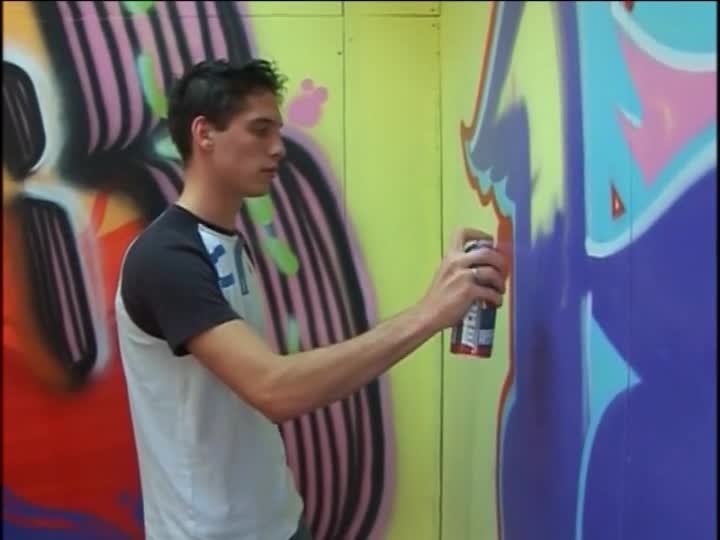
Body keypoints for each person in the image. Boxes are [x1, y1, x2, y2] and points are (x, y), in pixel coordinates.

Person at [115, 58, 507, 540]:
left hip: (278, 520)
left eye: (277, 131)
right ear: (205, 134)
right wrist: (429, 314)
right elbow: (273, 389)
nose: (278, 148)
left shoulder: (226, 244)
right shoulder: (167, 258)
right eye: (260, 130)